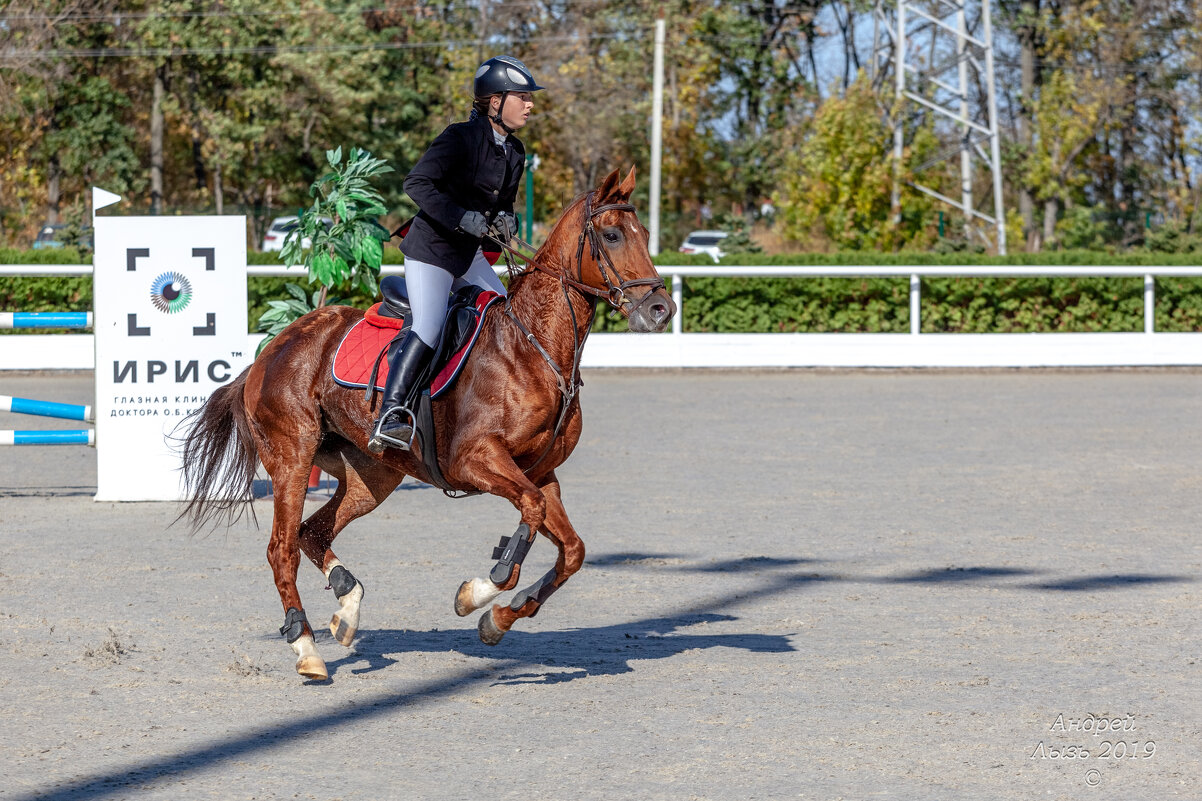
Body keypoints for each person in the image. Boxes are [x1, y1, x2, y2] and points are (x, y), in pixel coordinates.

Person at [369, 55, 543, 453]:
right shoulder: (459, 137)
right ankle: (391, 414)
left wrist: (505, 222)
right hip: (431, 252)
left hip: (467, 256)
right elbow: (416, 183)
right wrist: (460, 217)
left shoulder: (514, 152)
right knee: (428, 326)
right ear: (494, 101)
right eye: (522, 97)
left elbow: (503, 204)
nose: (530, 104)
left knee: (508, 319)